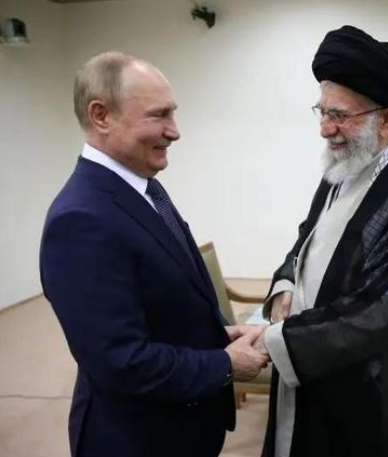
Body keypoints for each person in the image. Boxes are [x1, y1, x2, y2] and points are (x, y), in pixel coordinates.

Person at [39, 51, 269, 457]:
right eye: (159, 115)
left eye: (173, 113)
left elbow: (159, 299)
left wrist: (217, 337)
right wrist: (225, 364)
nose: (174, 131)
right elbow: (119, 360)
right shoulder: (81, 219)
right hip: (138, 440)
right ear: (101, 116)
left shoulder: (143, 187)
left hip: (182, 428)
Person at [254, 25, 388, 457]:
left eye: (340, 116)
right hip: (307, 359)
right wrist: (285, 285)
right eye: (321, 112)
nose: (325, 129)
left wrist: (277, 342)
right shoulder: (342, 167)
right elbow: (305, 241)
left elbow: (384, 308)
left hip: (360, 385)